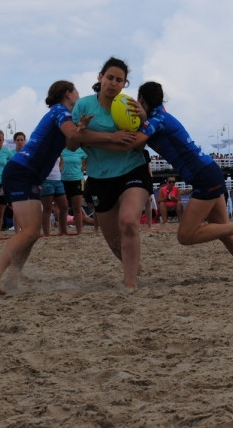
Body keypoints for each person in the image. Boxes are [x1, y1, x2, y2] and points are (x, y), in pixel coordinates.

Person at [127, 82, 233, 279]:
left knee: (185, 236)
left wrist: (139, 119)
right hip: (208, 172)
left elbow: (136, 143)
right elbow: (140, 146)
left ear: (142, 100)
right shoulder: (160, 117)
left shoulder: (157, 120)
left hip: (204, 176)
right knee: (223, 231)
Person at [0, 81, 91, 295]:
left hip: (29, 175)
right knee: (30, 231)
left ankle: (12, 279)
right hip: (21, 172)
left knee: (33, 233)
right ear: (68, 93)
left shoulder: (62, 115)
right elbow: (72, 137)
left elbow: (71, 144)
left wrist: (81, 129)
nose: (79, 94)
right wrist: (80, 130)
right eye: (76, 90)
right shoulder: (60, 111)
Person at [72, 57, 151, 291]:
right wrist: (81, 132)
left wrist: (143, 118)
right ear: (100, 77)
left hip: (131, 169)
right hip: (99, 177)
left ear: (124, 84)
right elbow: (73, 145)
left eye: (119, 80)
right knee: (115, 242)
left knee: (128, 222)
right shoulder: (84, 106)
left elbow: (137, 142)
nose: (113, 83)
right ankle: (134, 267)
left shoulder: (129, 105)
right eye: (110, 78)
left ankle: (130, 285)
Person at [60, 146, 93, 233]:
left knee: (77, 208)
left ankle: (79, 231)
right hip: (63, 180)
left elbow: (88, 161)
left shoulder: (81, 151)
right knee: (63, 208)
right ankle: (63, 231)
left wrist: (82, 168)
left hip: (78, 180)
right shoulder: (62, 150)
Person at [40, 158, 69, 235]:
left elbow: (61, 160)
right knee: (47, 208)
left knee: (64, 207)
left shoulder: (57, 150)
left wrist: (60, 168)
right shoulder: (41, 150)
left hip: (57, 180)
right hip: (46, 180)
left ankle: (63, 231)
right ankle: (46, 233)